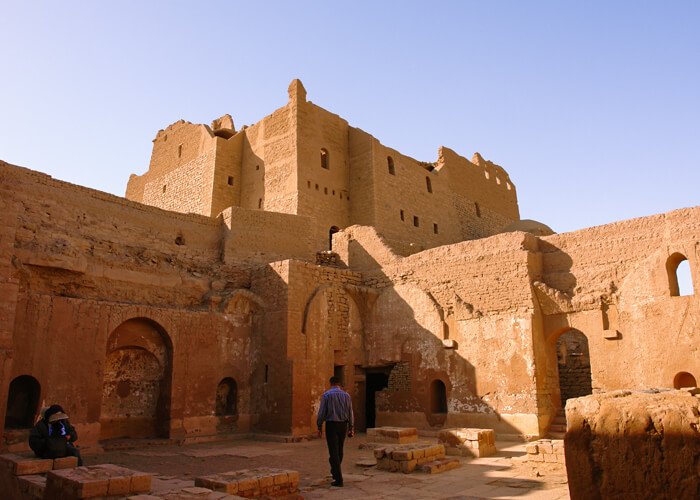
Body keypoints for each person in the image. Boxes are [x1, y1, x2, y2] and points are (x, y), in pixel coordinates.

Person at [316, 376, 354, 487]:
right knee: (339, 449)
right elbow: (350, 412)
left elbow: (322, 412)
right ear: (339, 384)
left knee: (333, 451)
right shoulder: (346, 396)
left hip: (331, 425)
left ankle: (338, 479)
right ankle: (335, 471)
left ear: (330, 383)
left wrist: (319, 426)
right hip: (343, 425)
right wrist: (351, 427)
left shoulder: (326, 395)